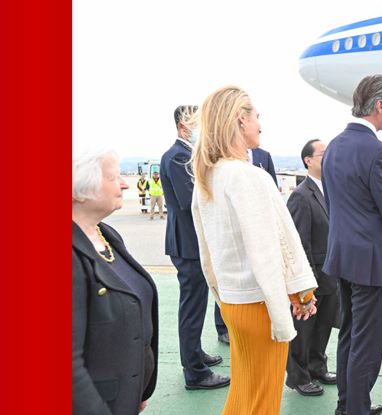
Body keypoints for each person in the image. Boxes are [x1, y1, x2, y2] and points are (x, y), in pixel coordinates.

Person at [189, 85, 319, 415]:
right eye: (257, 117)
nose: (260, 125)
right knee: (262, 401)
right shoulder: (247, 176)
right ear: (240, 118)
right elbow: (268, 250)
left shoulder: (209, 176)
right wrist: (300, 293)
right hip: (260, 306)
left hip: (233, 303)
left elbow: (208, 250)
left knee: (243, 396)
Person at [322, 74, 382, 415]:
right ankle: (356, 409)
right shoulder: (379, 152)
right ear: (379, 105)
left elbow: (336, 203)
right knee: (367, 343)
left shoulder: (333, 146)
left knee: (349, 334)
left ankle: (348, 404)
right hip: (371, 261)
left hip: (342, 257)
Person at [72, 148, 159, 414]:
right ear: (79, 191)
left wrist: (136, 388)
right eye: (113, 177)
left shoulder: (105, 234)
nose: (124, 184)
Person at [160, 105, 230, 391]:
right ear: (182, 126)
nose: (201, 128)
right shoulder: (178, 156)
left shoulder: (186, 154)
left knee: (196, 304)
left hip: (191, 242)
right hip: (188, 243)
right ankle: (195, 373)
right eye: (195, 123)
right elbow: (191, 200)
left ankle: (195, 355)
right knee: (192, 307)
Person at [285, 139, 339, 397]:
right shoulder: (301, 195)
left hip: (332, 272)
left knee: (324, 324)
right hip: (311, 274)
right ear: (308, 160)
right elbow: (298, 243)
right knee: (303, 329)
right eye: (323, 154)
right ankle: (298, 376)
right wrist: (306, 282)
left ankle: (317, 367)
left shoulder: (331, 189)